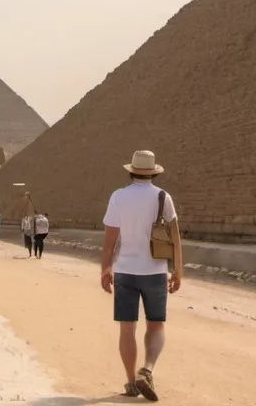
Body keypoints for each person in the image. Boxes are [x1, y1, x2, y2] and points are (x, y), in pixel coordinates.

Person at [101, 151, 183, 402]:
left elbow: (110, 240)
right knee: (156, 324)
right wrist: (178, 269)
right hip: (155, 270)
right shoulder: (163, 197)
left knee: (127, 328)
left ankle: (130, 383)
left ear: (131, 171)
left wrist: (105, 268)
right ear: (154, 172)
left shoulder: (118, 196)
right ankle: (146, 369)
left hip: (125, 270)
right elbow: (175, 237)